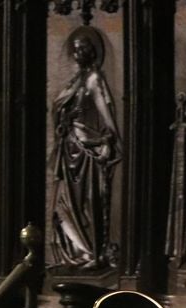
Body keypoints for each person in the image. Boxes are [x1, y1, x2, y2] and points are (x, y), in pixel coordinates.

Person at [50, 26, 120, 272]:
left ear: (92, 53)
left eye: (84, 49)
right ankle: (78, 251)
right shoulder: (75, 80)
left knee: (88, 202)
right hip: (69, 147)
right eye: (76, 49)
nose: (79, 53)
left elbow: (104, 109)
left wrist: (112, 138)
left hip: (87, 150)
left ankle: (92, 252)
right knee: (64, 204)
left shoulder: (93, 78)